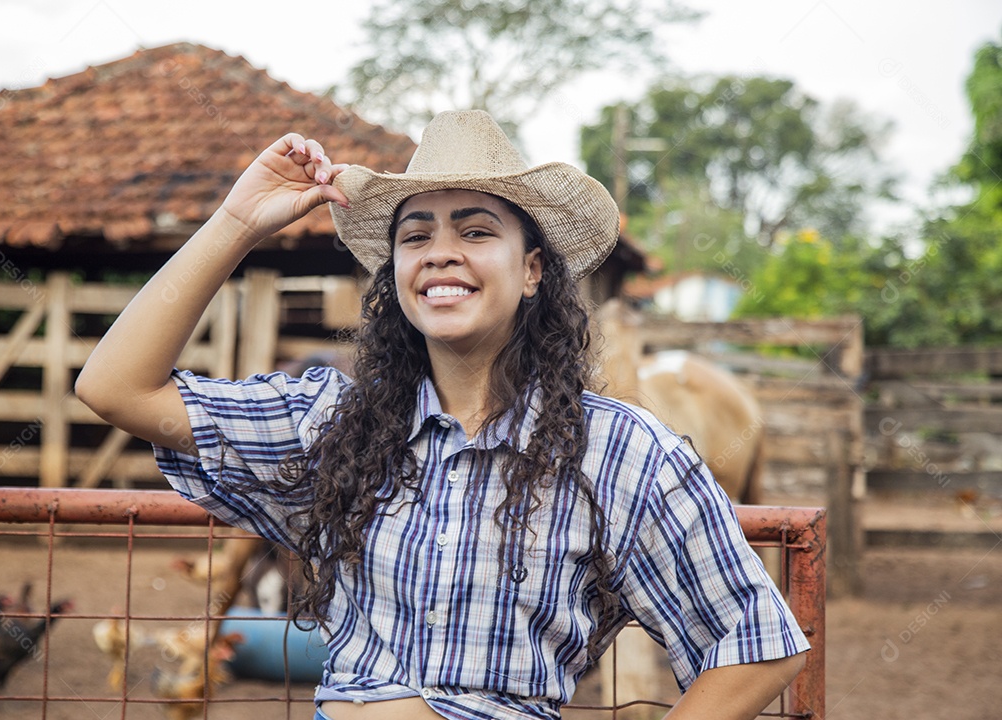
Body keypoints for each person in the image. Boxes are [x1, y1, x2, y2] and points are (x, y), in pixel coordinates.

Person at [76, 110, 809, 720]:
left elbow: (760, 643)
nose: (441, 253)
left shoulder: (619, 451)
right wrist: (237, 223)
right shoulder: (333, 426)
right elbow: (116, 387)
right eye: (415, 234)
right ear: (393, 274)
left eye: (477, 230)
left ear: (533, 270)